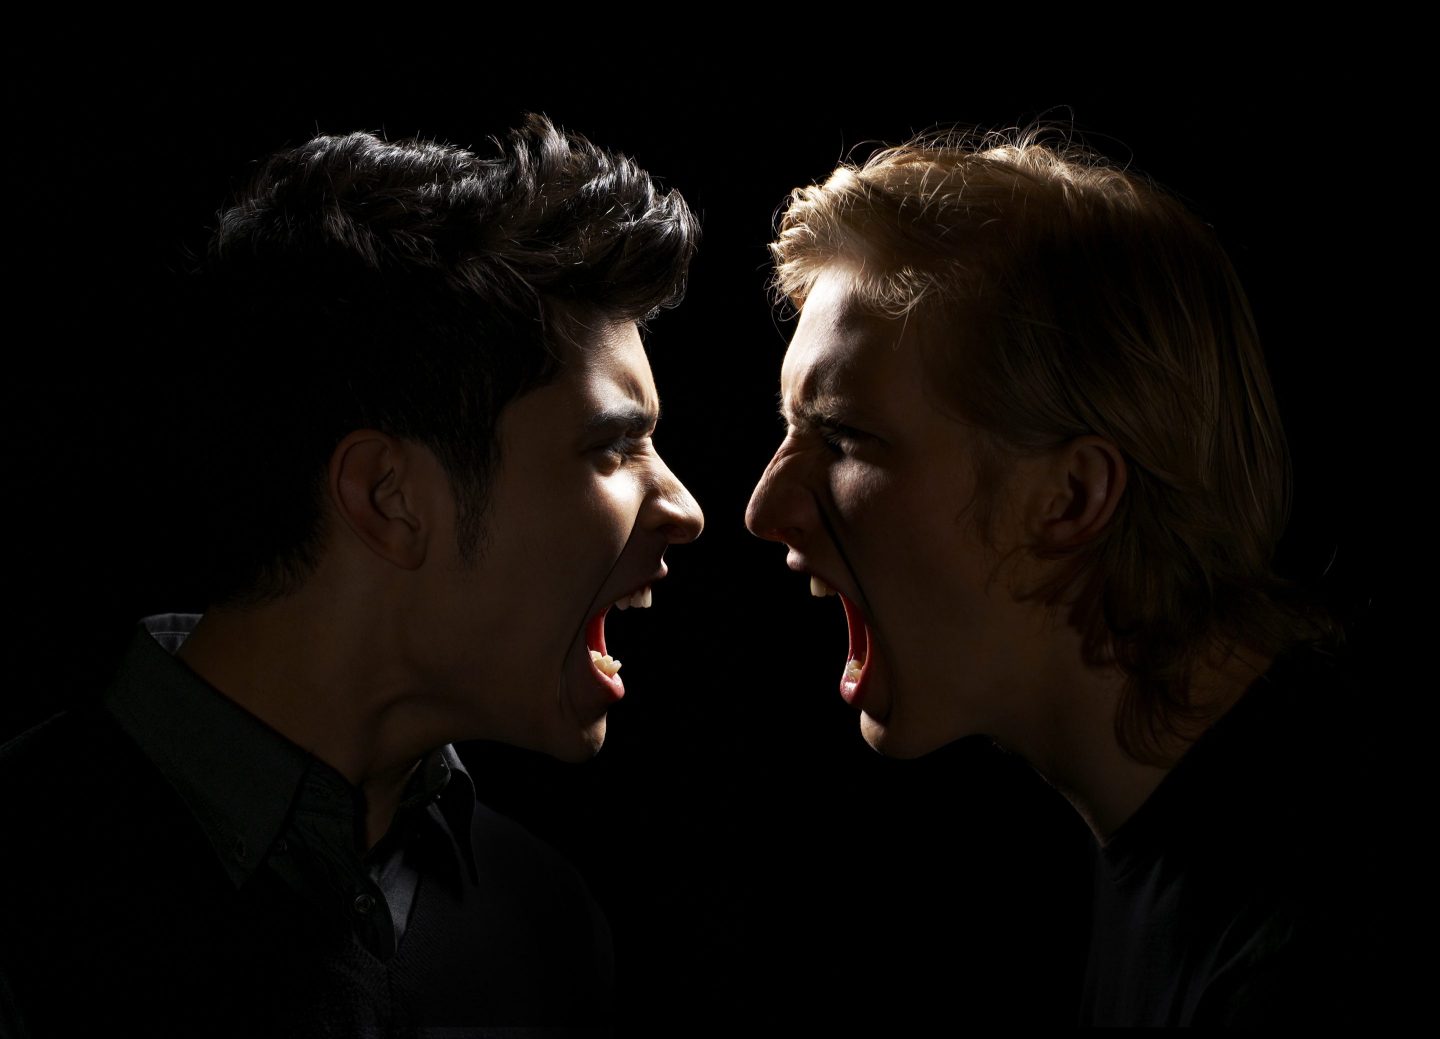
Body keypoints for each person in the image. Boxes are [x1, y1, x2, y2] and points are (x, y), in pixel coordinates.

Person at [0, 116, 703, 1037]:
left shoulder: (548, 926)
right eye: (613, 446)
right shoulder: (13, 877)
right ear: (390, 497)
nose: (685, 508)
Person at [745, 129, 1382, 1024]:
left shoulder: (1309, 950)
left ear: (1071, 496)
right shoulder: (1166, 821)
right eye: (790, 429)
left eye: (845, 437)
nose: (764, 506)